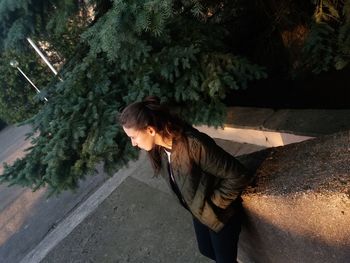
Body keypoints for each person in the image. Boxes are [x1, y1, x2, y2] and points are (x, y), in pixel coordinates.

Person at [119, 96, 253, 263]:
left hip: (221, 215)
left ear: (150, 130)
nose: (133, 143)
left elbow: (238, 175)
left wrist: (212, 204)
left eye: (134, 137)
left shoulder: (194, 145)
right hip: (198, 209)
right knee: (206, 250)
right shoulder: (159, 150)